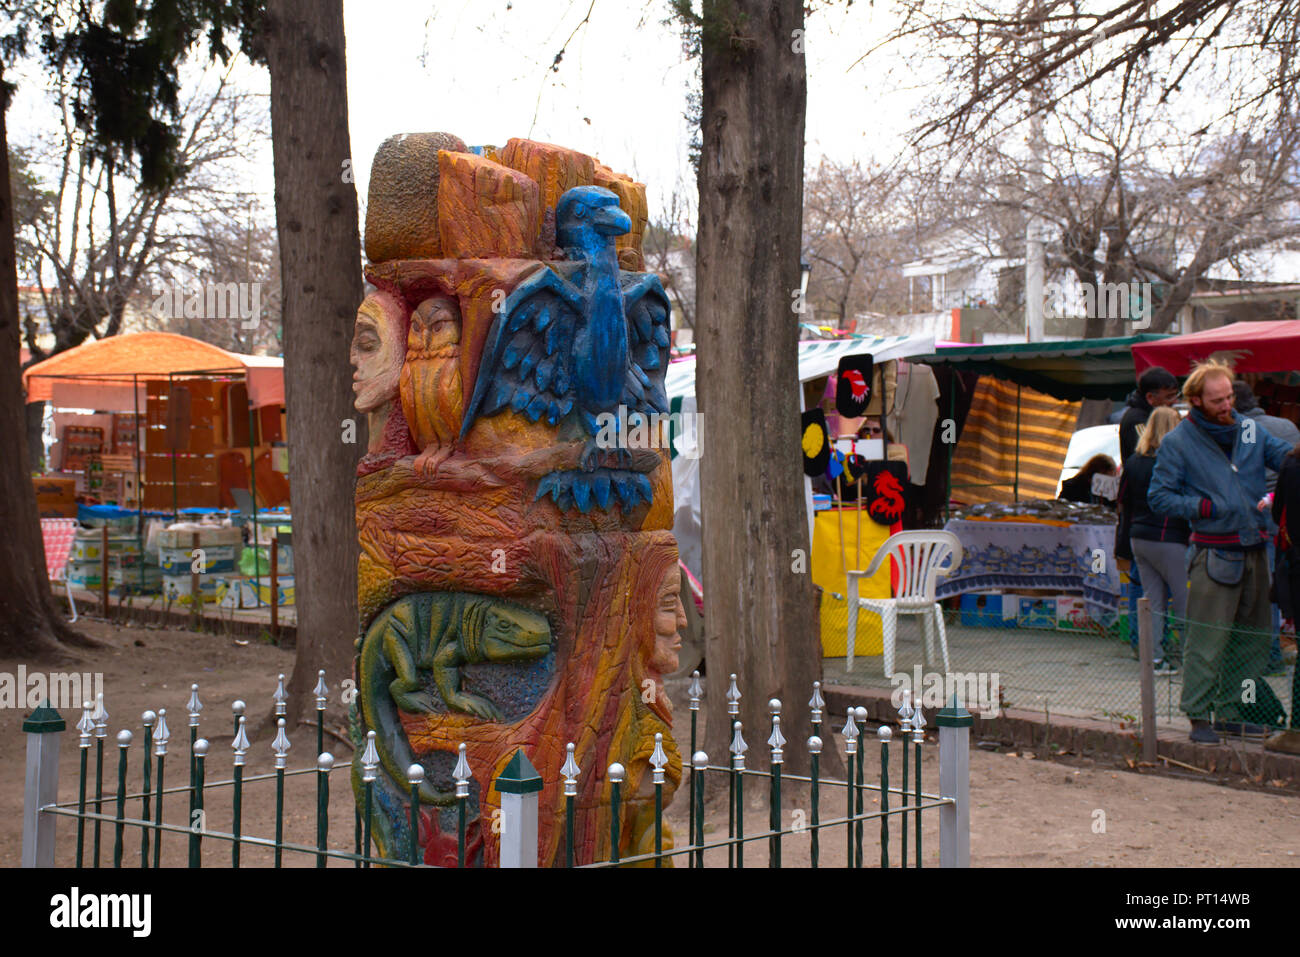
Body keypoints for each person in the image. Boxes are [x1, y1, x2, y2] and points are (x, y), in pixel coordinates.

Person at [1148, 359, 1294, 743]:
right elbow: (1159, 497)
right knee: (1207, 641)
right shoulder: (1179, 442)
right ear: (1196, 399)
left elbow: (1284, 457)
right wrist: (1203, 507)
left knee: (1252, 641)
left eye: (1229, 396)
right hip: (1213, 554)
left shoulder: (1250, 431)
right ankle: (1198, 716)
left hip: (1255, 550)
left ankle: (1232, 711)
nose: (1227, 405)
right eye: (1217, 400)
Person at [1232, 379, 1300, 672]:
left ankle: (1268, 653)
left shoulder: (1242, 429)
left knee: (1260, 586)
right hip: (1286, 516)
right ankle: (1277, 648)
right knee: (1279, 583)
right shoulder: (1286, 426)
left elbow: (1243, 470)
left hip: (1255, 513)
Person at [1116, 407, 1188, 673]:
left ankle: (1154, 659)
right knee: (1182, 599)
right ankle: (1187, 657)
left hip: (1139, 538)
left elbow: (1122, 502)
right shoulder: (1176, 461)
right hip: (1169, 537)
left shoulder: (1134, 461)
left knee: (1153, 601)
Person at [1120, 366, 1180, 465]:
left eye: (1176, 395)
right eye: (1169, 397)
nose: (1175, 401)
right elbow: (1147, 453)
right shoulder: (1136, 421)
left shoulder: (1141, 415)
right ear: (1150, 397)